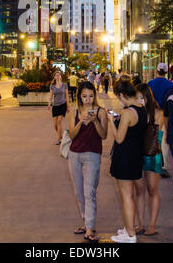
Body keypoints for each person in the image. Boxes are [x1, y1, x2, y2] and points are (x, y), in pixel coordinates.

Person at [68, 81, 108, 242]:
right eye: (84, 96)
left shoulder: (101, 112)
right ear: (79, 96)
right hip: (74, 154)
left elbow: (104, 135)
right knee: (79, 192)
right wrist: (81, 121)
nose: (88, 99)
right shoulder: (74, 111)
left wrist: (95, 121)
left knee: (89, 192)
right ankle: (86, 222)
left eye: (91, 96)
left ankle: (90, 228)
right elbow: (71, 135)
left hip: (92, 155)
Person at [109, 79, 147, 243]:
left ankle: (130, 234)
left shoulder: (127, 112)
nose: (119, 100)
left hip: (124, 157)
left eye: (119, 97)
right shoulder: (141, 109)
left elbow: (119, 138)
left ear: (122, 94)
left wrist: (111, 121)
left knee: (126, 196)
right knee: (129, 195)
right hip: (136, 156)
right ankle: (128, 228)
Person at [136, 83, 164, 236]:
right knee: (139, 190)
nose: (140, 101)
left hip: (153, 155)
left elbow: (157, 137)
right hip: (137, 154)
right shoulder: (134, 112)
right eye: (137, 98)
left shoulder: (158, 113)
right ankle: (141, 224)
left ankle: (152, 225)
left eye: (142, 98)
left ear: (148, 97)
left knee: (152, 190)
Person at [148, 63, 173, 178]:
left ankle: (153, 164)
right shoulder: (171, 84)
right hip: (166, 114)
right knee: (164, 140)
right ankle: (163, 166)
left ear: (157, 70)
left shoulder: (150, 83)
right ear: (166, 71)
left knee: (153, 138)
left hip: (153, 113)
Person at [48, 72, 70, 145]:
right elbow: (51, 96)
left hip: (63, 105)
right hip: (55, 106)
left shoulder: (64, 85)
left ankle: (59, 139)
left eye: (58, 75)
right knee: (55, 125)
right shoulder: (52, 86)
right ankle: (63, 136)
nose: (57, 76)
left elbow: (67, 96)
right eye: (56, 75)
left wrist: (68, 106)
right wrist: (49, 104)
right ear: (54, 77)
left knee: (59, 121)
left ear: (60, 76)